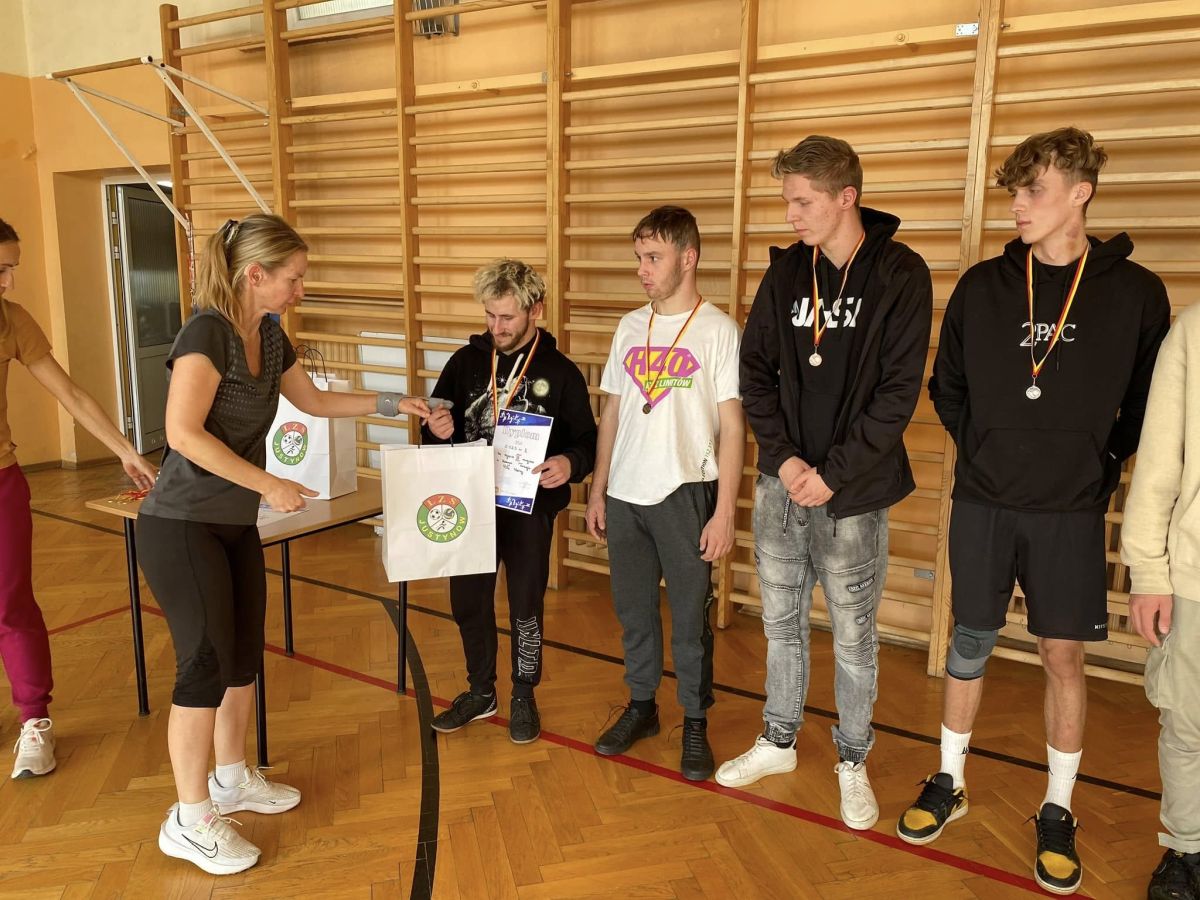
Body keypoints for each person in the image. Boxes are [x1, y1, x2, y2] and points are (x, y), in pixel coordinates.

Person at [895, 127, 1170, 896]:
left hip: (1069, 510)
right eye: (1014, 190)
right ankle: (950, 781)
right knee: (969, 641)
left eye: (1034, 190)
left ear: (1080, 192)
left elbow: (1149, 401)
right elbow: (947, 384)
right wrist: (985, 451)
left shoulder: (1134, 292)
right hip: (985, 499)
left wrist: (1097, 462)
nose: (1018, 204)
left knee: (1062, 656)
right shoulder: (983, 286)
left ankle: (1058, 807)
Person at [135, 214, 431, 875]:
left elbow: (313, 402)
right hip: (181, 524)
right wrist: (269, 483)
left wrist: (394, 403)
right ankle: (188, 820)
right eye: (293, 278)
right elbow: (181, 433)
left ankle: (230, 778)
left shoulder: (267, 334)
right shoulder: (206, 333)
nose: (301, 289)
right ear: (255, 275)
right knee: (203, 665)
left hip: (232, 521)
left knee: (243, 656)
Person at [726, 136, 932, 830]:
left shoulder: (901, 273)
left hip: (854, 496)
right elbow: (754, 373)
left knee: (853, 636)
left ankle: (852, 757)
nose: (790, 214)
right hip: (782, 488)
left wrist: (833, 476)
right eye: (787, 200)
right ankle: (779, 739)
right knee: (781, 624)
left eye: (802, 201)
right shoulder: (788, 272)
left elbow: (898, 396)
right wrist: (785, 461)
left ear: (847, 197)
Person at [584, 206, 743, 782]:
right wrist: (598, 489)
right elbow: (611, 412)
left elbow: (733, 428)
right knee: (634, 612)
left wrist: (724, 512)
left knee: (689, 619)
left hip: (684, 493)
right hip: (626, 493)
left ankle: (695, 720)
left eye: (653, 258)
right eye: (639, 258)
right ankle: (642, 706)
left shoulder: (718, 331)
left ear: (688, 257)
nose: (642, 270)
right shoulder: (629, 327)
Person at [0, 217, 157, 780]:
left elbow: (68, 392)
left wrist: (124, 450)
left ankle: (34, 720)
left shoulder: (12, 321)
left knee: (10, 603)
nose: (9, 281)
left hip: (2, 480)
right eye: (0, 269)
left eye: (12, 268)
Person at [422, 259, 596, 744]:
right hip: (471, 506)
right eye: (490, 315)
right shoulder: (464, 363)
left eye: (507, 317)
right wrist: (436, 429)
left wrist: (569, 463)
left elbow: (587, 440)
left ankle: (523, 693)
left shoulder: (560, 373)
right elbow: (433, 428)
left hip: (529, 511)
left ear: (535, 310)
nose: (496, 327)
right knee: (468, 602)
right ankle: (481, 691)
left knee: (525, 603)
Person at [1120, 305, 1200, 900]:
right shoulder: (1194, 330)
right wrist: (1149, 570)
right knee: (1187, 723)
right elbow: (1158, 460)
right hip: (1195, 575)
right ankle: (1187, 847)